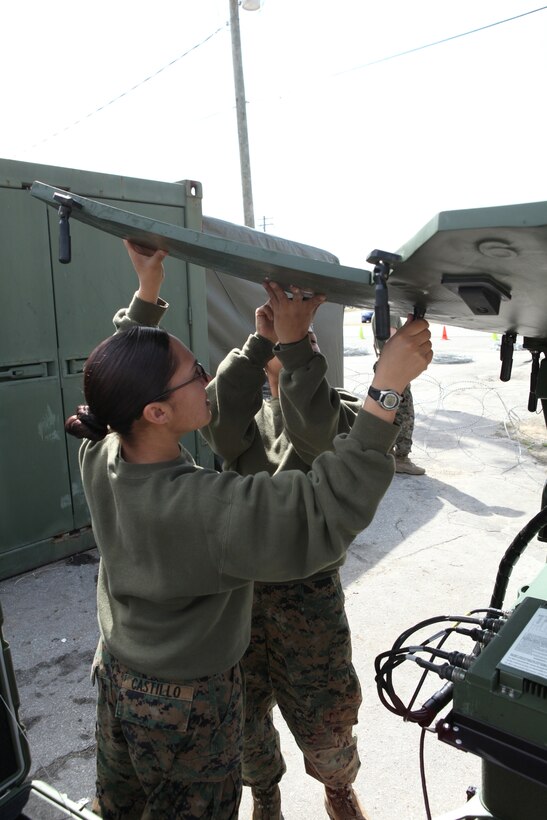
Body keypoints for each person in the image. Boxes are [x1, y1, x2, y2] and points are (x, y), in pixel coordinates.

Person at [71, 241, 431, 820]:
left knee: (128, 803)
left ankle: (330, 788)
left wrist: (147, 295)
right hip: (187, 700)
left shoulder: (102, 450)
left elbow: (115, 382)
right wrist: (385, 388)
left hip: (122, 675)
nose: (207, 377)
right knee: (237, 744)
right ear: (156, 414)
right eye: (195, 374)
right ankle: (267, 796)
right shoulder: (206, 507)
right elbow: (324, 505)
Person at [372, 311, 425, 475]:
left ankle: (389, 453)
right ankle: (401, 459)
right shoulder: (391, 312)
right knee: (404, 413)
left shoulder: (380, 311)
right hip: (394, 363)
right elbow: (392, 338)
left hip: (387, 361)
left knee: (390, 411)